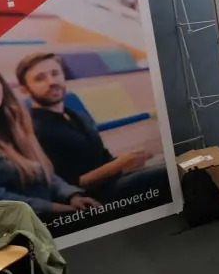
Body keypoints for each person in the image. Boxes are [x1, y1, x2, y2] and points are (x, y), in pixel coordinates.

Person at [0, 62, 96, 218]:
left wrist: (72, 196)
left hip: (52, 211)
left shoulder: (17, 123)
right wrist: (58, 208)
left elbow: (46, 174)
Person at [16, 53, 165, 203]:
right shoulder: (35, 130)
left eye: (55, 73)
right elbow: (67, 186)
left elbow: (104, 159)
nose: (52, 81)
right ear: (25, 90)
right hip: (95, 198)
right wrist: (120, 163)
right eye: (40, 78)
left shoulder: (77, 115)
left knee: (169, 162)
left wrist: (131, 161)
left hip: (117, 180)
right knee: (167, 173)